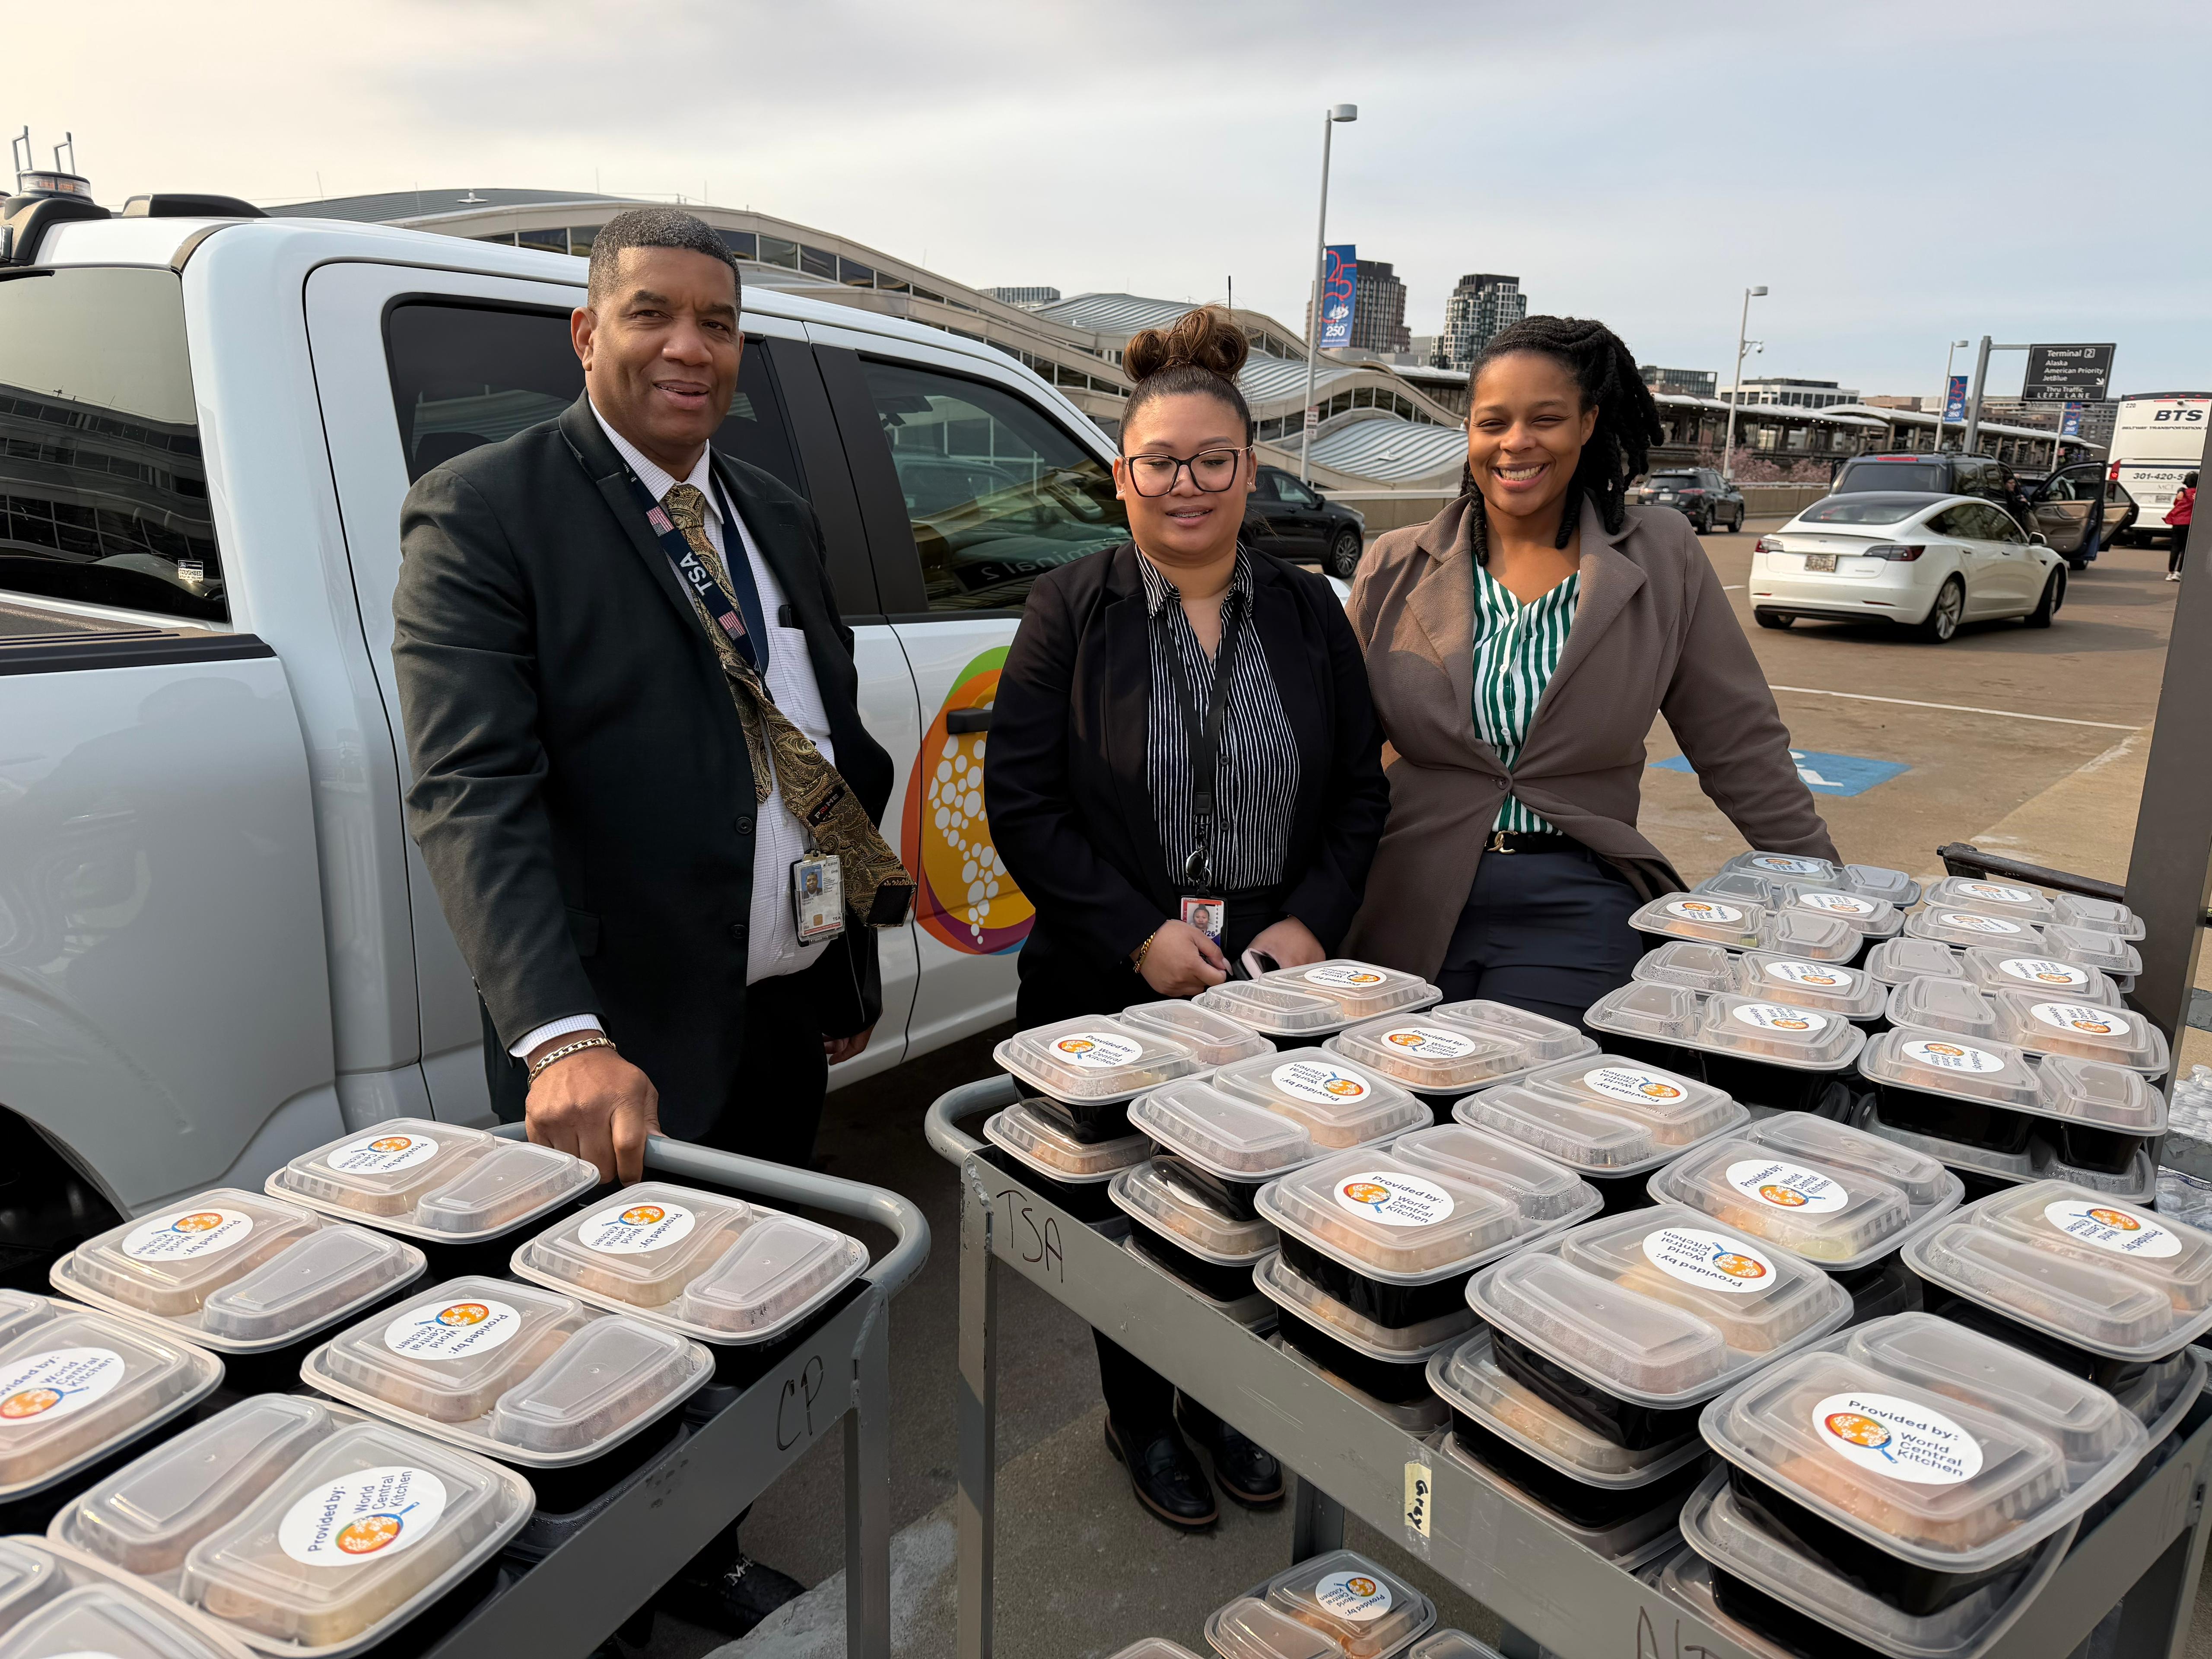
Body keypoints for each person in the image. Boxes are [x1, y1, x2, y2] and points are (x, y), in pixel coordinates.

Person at [392, 207, 908, 1637]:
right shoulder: (490, 510)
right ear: (588, 331)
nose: (690, 346)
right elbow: (469, 790)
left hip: (773, 1014)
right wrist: (561, 1037)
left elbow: (818, 748)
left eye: (719, 323)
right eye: (654, 314)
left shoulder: (774, 515)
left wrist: (842, 951)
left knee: (748, 1310)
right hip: (618, 1046)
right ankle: (604, 1602)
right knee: (605, 1342)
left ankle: (704, 1555)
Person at [986, 306, 1389, 1528]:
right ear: (1123, 477)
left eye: (1214, 460)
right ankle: (1141, 1416)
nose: (1189, 485)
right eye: (1162, 462)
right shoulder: (1072, 607)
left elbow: (1361, 789)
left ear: (1249, 472)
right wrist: (1136, 932)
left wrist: (1312, 921)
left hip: (1270, 975)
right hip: (1116, 971)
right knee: (1131, 1213)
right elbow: (1024, 799)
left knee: (1254, 1197)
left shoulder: (1309, 610)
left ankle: (1226, 1402)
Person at [1344, 315, 1836, 1018]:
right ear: (1469, 433)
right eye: (1494, 422)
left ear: (1587, 423)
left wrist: (1831, 893)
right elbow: (1332, 755)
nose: (1516, 443)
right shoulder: (1393, 565)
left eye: (1546, 418)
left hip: (1575, 898)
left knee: (1537, 1106)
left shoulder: (1660, 556)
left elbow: (1741, 745)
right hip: (1404, 891)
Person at [2167, 470, 2195, 581]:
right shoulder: (2198, 492)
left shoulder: (2182, 493)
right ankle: (2179, 572)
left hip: (2177, 523)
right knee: (2185, 548)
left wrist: (2181, 490)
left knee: (2175, 547)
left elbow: (2176, 504)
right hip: (2188, 523)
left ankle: (2171, 571)